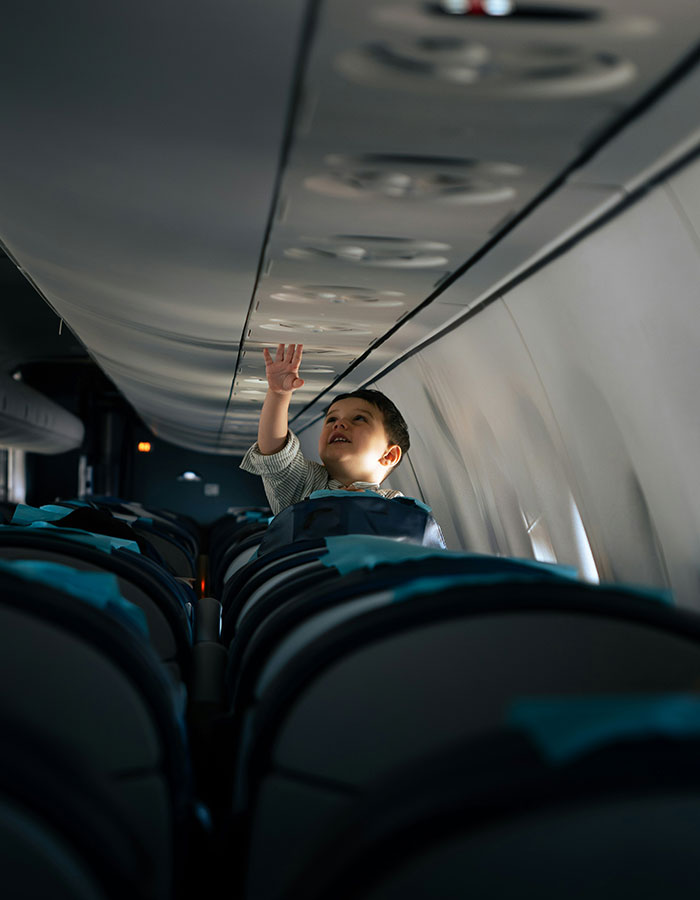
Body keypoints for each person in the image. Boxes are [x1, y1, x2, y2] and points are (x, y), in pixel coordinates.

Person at [240, 343, 410, 514]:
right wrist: (279, 394)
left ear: (389, 455)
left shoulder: (397, 506)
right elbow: (275, 453)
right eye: (332, 419)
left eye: (359, 418)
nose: (339, 424)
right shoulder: (306, 482)